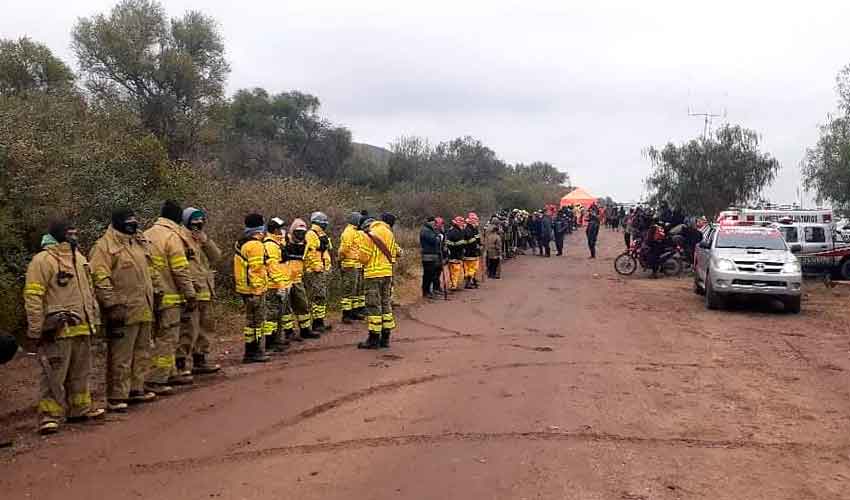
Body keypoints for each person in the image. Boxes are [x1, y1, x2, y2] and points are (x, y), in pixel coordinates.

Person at [23, 220, 106, 435]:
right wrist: (36, 329)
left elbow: (89, 291)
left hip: (82, 326)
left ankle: (79, 409)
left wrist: (93, 320)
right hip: (57, 330)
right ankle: (49, 416)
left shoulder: (79, 258)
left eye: (76, 233)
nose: (74, 237)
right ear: (58, 235)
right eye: (70, 233)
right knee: (53, 375)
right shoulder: (42, 261)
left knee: (81, 373)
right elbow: (33, 296)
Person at [88, 208, 157, 413]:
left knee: (142, 352)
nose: (132, 225)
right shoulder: (104, 247)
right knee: (121, 356)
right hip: (122, 311)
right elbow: (100, 279)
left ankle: (136, 388)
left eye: (134, 221)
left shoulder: (136, 242)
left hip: (143, 307)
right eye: (128, 222)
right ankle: (117, 395)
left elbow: (149, 271)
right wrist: (111, 305)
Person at [145, 200, 197, 391]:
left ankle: (171, 371)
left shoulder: (147, 234)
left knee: (157, 336)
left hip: (152, 296)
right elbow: (180, 270)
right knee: (168, 338)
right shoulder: (172, 237)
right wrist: (190, 294)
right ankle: (158, 378)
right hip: (171, 296)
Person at [175, 207, 222, 376]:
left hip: (206, 290)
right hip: (191, 291)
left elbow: (216, 257)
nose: (198, 224)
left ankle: (200, 359)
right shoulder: (179, 238)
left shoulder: (201, 239)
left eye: (201, 221)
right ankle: (180, 364)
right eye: (194, 221)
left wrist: (205, 240)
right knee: (188, 329)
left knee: (206, 327)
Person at [233, 213, 270, 363]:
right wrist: (257, 291)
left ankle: (250, 350)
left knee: (250, 322)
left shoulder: (242, 242)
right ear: (260, 228)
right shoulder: (255, 246)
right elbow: (255, 270)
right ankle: (254, 352)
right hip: (254, 290)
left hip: (244, 289)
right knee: (257, 322)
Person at [357, 216, 397, 349]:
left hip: (373, 274)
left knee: (373, 305)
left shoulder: (368, 234)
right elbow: (395, 252)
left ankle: (373, 338)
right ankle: (385, 338)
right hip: (387, 273)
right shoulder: (389, 232)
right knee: (385, 303)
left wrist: (360, 258)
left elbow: (364, 257)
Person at [282, 219, 318, 340]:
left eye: (303, 232)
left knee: (303, 305)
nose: (300, 235)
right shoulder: (284, 240)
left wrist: (311, 269)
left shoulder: (305, 243)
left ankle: (305, 330)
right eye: (298, 232)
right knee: (285, 308)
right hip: (284, 280)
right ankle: (288, 332)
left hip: (297, 278)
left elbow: (308, 258)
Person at [262, 217, 291, 353]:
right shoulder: (270, 245)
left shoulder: (277, 243)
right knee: (272, 316)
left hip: (281, 283)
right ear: (274, 230)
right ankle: (270, 342)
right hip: (273, 286)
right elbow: (272, 267)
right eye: (279, 228)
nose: (282, 231)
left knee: (279, 315)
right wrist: (280, 285)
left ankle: (277, 340)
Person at [304, 212, 333, 333]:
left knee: (321, 296)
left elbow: (328, 249)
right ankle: (317, 323)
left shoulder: (322, 234)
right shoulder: (311, 234)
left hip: (322, 269)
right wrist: (316, 266)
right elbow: (309, 253)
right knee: (318, 296)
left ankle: (320, 321)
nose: (326, 224)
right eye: (324, 222)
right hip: (315, 270)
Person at [339, 212, 364, 322]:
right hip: (350, 265)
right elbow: (344, 249)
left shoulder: (355, 232)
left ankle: (354, 312)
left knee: (356, 290)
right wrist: (340, 259)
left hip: (356, 264)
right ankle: (346, 314)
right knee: (349, 290)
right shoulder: (348, 232)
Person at [420, 216, 442, 299]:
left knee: (431, 274)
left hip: (432, 255)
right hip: (427, 256)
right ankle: (426, 292)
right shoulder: (425, 230)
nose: (435, 224)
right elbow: (433, 240)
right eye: (434, 222)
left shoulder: (430, 230)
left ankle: (429, 291)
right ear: (430, 222)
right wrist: (438, 237)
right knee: (427, 275)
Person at [445, 217, 467, 291]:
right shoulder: (454, 231)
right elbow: (452, 244)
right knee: (454, 271)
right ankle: (453, 285)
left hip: (456, 254)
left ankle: (455, 284)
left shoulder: (458, 230)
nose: (462, 223)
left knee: (456, 271)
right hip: (454, 255)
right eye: (461, 222)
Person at [463, 212, 482, 289]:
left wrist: (480, 244)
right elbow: (471, 240)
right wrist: (477, 245)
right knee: (471, 267)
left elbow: (477, 239)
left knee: (473, 267)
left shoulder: (473, 229)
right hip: (470, 252)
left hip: (472, 251)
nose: (477, 222)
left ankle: (473, 280)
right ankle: (468, 282)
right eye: (475, 220)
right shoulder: (468, 229)